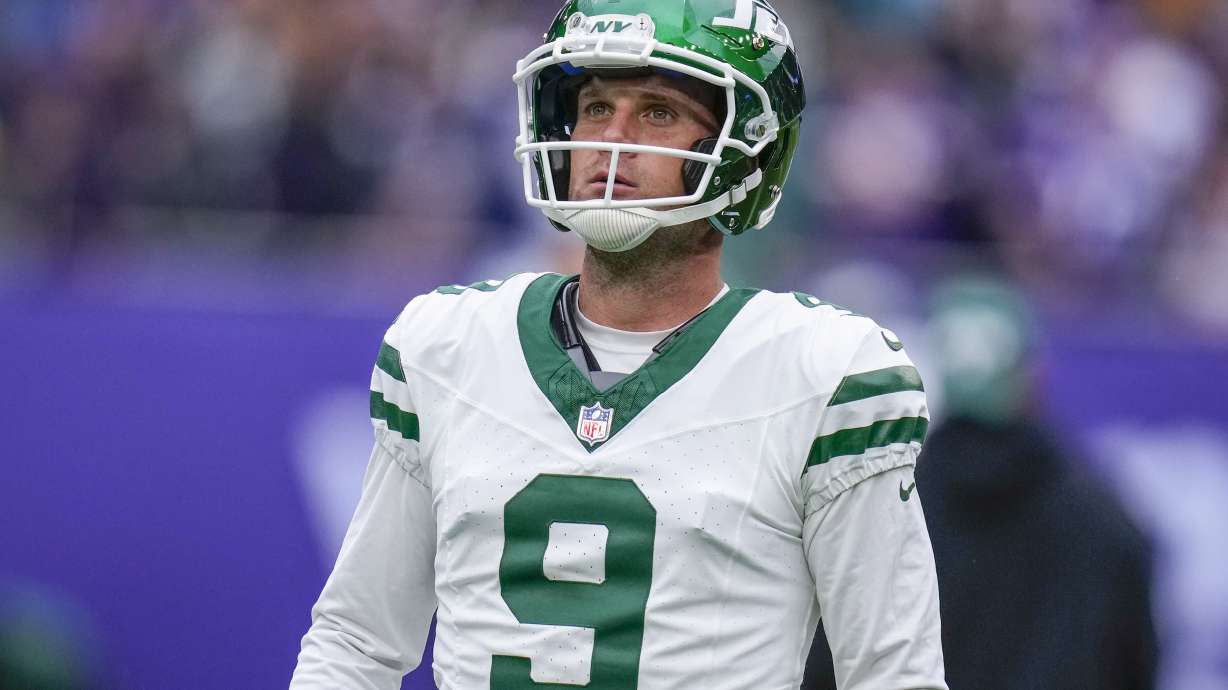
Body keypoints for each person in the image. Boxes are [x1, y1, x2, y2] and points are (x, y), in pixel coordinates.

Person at [291, 1, 947, 688]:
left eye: (658, 112)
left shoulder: (826, 374)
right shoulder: (448, 345)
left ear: (746, 149)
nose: (612, 140)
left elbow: (891, 674)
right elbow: (356, 642)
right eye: (597, 108)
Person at [804, 277, 1157, 690]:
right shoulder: (1100, 516)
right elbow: (1137, 662)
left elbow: (823, 665)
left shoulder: (871, 503)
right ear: (1032, 373)